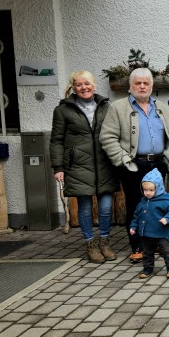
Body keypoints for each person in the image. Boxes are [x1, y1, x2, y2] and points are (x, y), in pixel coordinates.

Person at [100, 68, 169, 262]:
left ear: (151, 86)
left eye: (146, 83)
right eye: (138, 83)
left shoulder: (161, 106)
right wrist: (123, 160)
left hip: (158, 164)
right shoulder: (118, 107)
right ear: (131, 86)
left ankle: (158, 243)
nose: (142, 87)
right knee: (137, 206)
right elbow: (107, 137)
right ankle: (138, 246)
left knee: (159, 205)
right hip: (134, 166)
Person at [50, 71, 120, 263]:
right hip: (78, 164)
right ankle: (90, 244)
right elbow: (56, 140)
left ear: (94, 85)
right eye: (79, 84)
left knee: (106, 207)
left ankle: (104, 242)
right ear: (73, 88)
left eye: (87, 84)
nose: (84, 88)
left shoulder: (106, 107)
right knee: (85, 207)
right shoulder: (63, 110)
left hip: (105, 164)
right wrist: (58, 167)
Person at [129, 168, 169, 278]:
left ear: (158, 188)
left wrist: (167, 219)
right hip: (146, 233)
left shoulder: (165, 200)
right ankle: (147, 269)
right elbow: (137, 216)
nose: (148, 193)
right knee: (147, 253)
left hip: (161, 232)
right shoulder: (143, 202)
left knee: (166, 252)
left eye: (151, 190)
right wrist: (133, 227)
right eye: (145, 190)